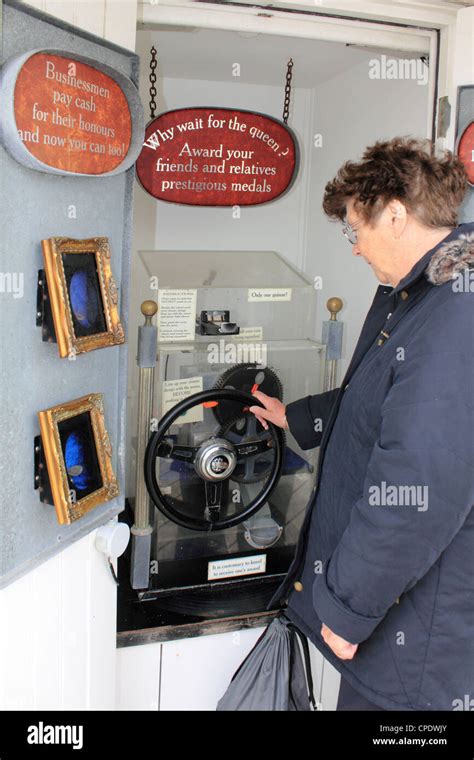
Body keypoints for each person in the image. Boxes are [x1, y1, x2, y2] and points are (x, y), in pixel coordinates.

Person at [249, 136, 474, 711]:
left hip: (420, 651)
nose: (353, 248)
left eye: (356, 229)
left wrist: (348, 609)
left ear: (395, 215)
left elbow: (419, 484)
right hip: (404, 628)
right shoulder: (422, 296)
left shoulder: (455, 312)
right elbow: (386, 399)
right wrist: (298, 418)